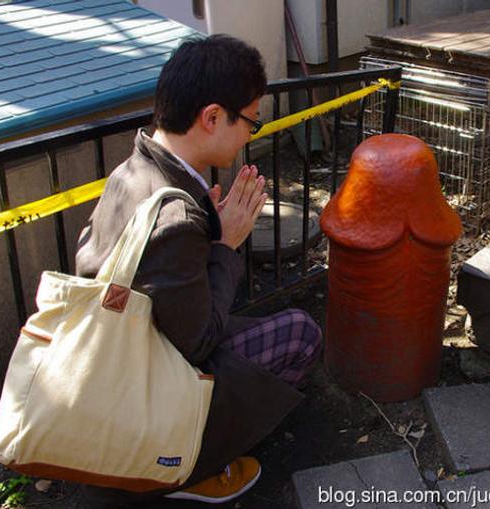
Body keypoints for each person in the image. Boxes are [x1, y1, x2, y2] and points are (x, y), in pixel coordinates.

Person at [75, 34, 322, 506]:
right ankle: (182, 468)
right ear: (212, 117)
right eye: (251, 119)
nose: (252, 132)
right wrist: (225, 244)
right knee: (302, 335)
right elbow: (198, 342)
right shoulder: (174, 217)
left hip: (113, 365)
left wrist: (207, 234)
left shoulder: (133, 170)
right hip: (147, 389)